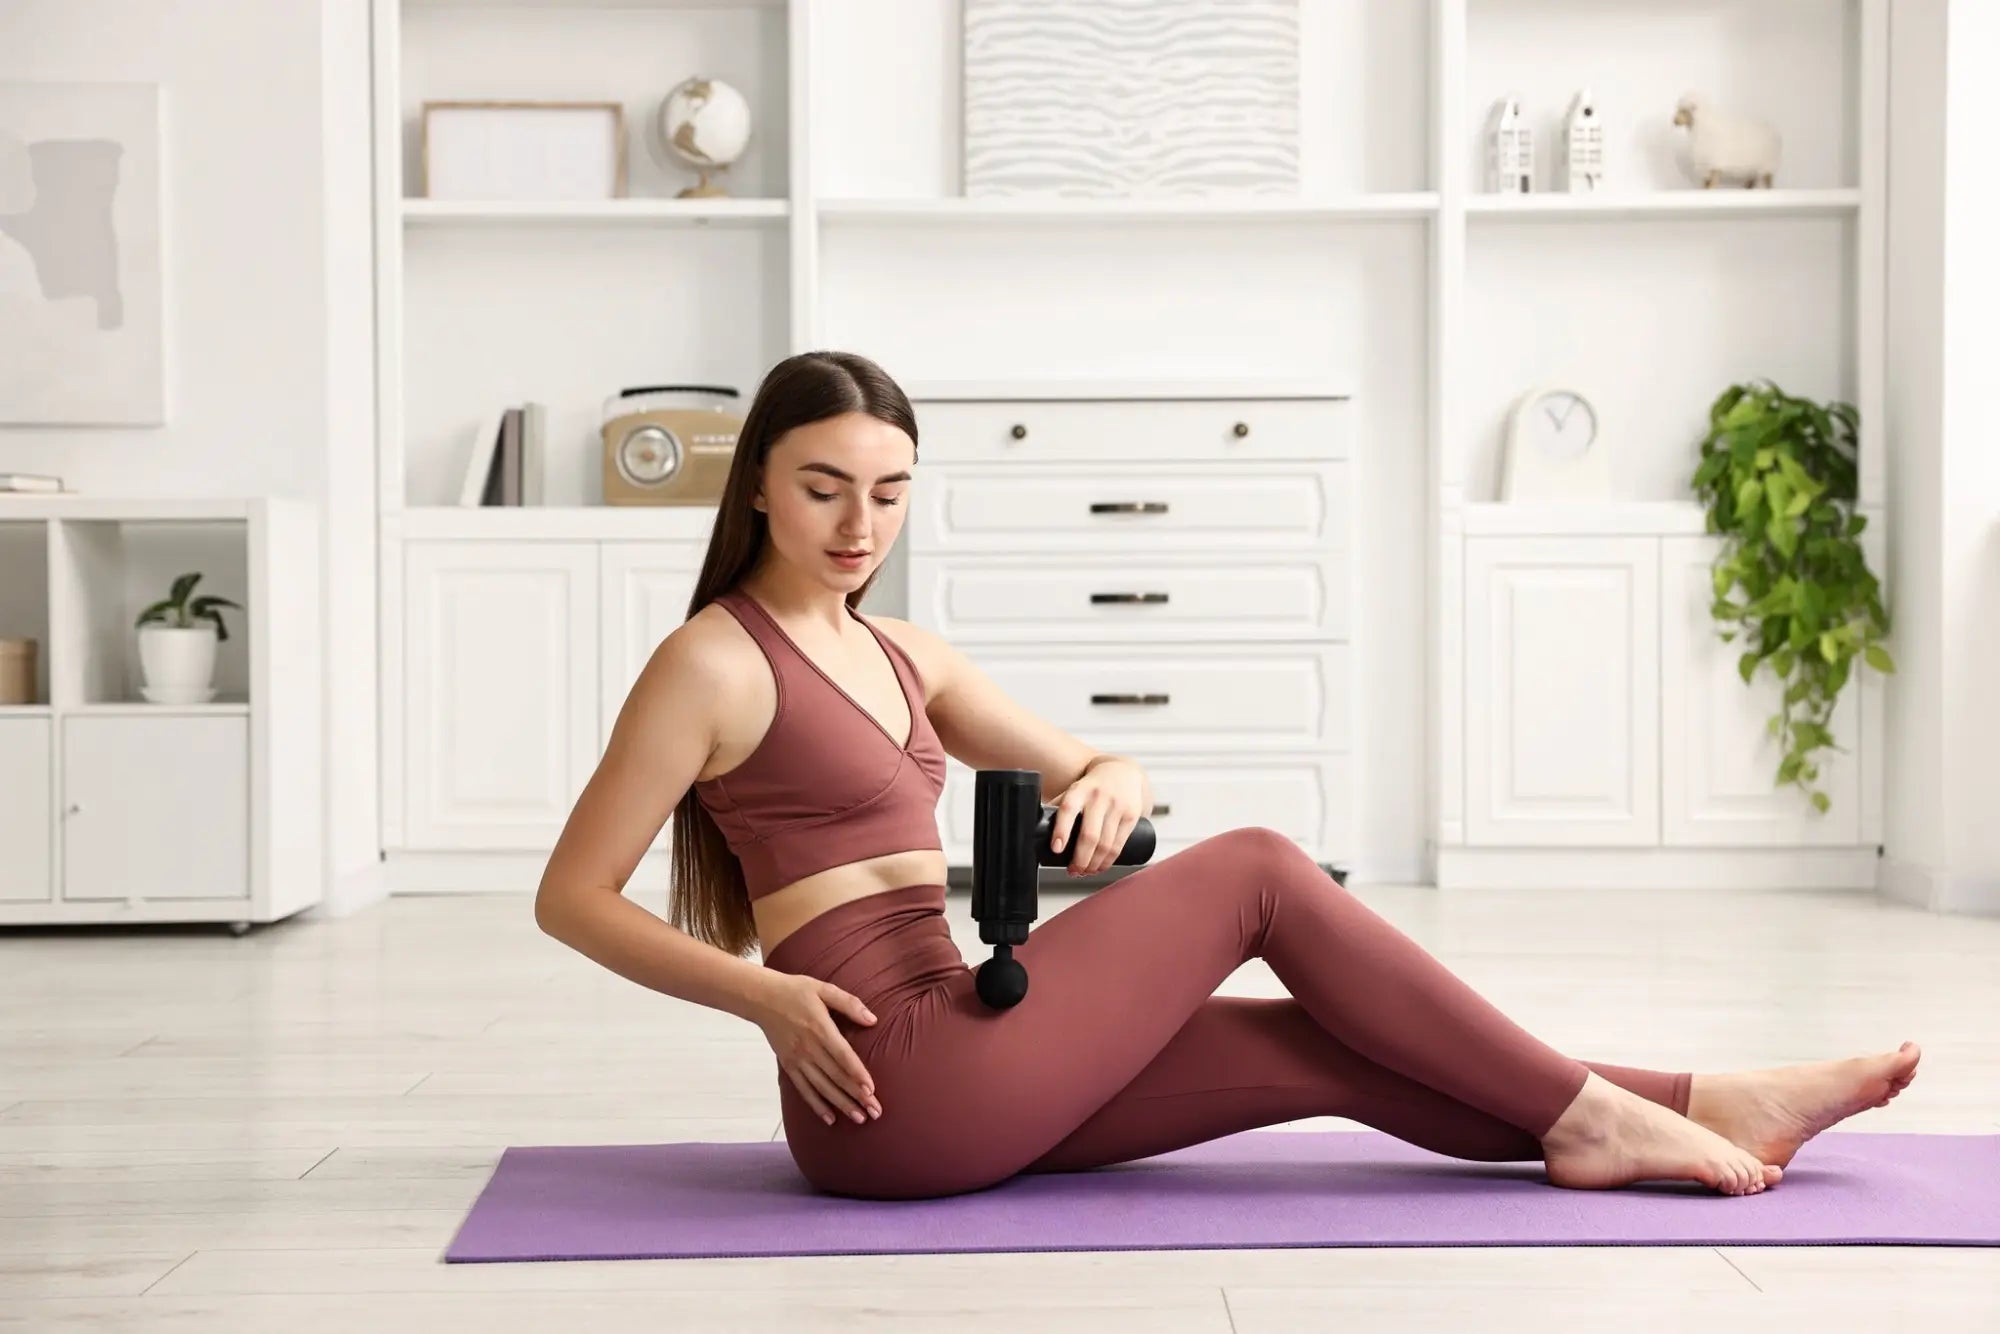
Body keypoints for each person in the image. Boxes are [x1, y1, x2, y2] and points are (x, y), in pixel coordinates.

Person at [534, 350, 1922, 1202]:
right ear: (759, 488)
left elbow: (1087, 756)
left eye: (890, 490)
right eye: (826, 484)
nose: (860, 521)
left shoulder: (905, 650)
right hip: (886, 1084)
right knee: (1260, 867)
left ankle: (1689, 1103)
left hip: (964, 1034)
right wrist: (765, 997)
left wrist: (1113, 777)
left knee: (1312, 1045)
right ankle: (1601, 1115)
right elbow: (572, 899)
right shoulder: (711, 662)